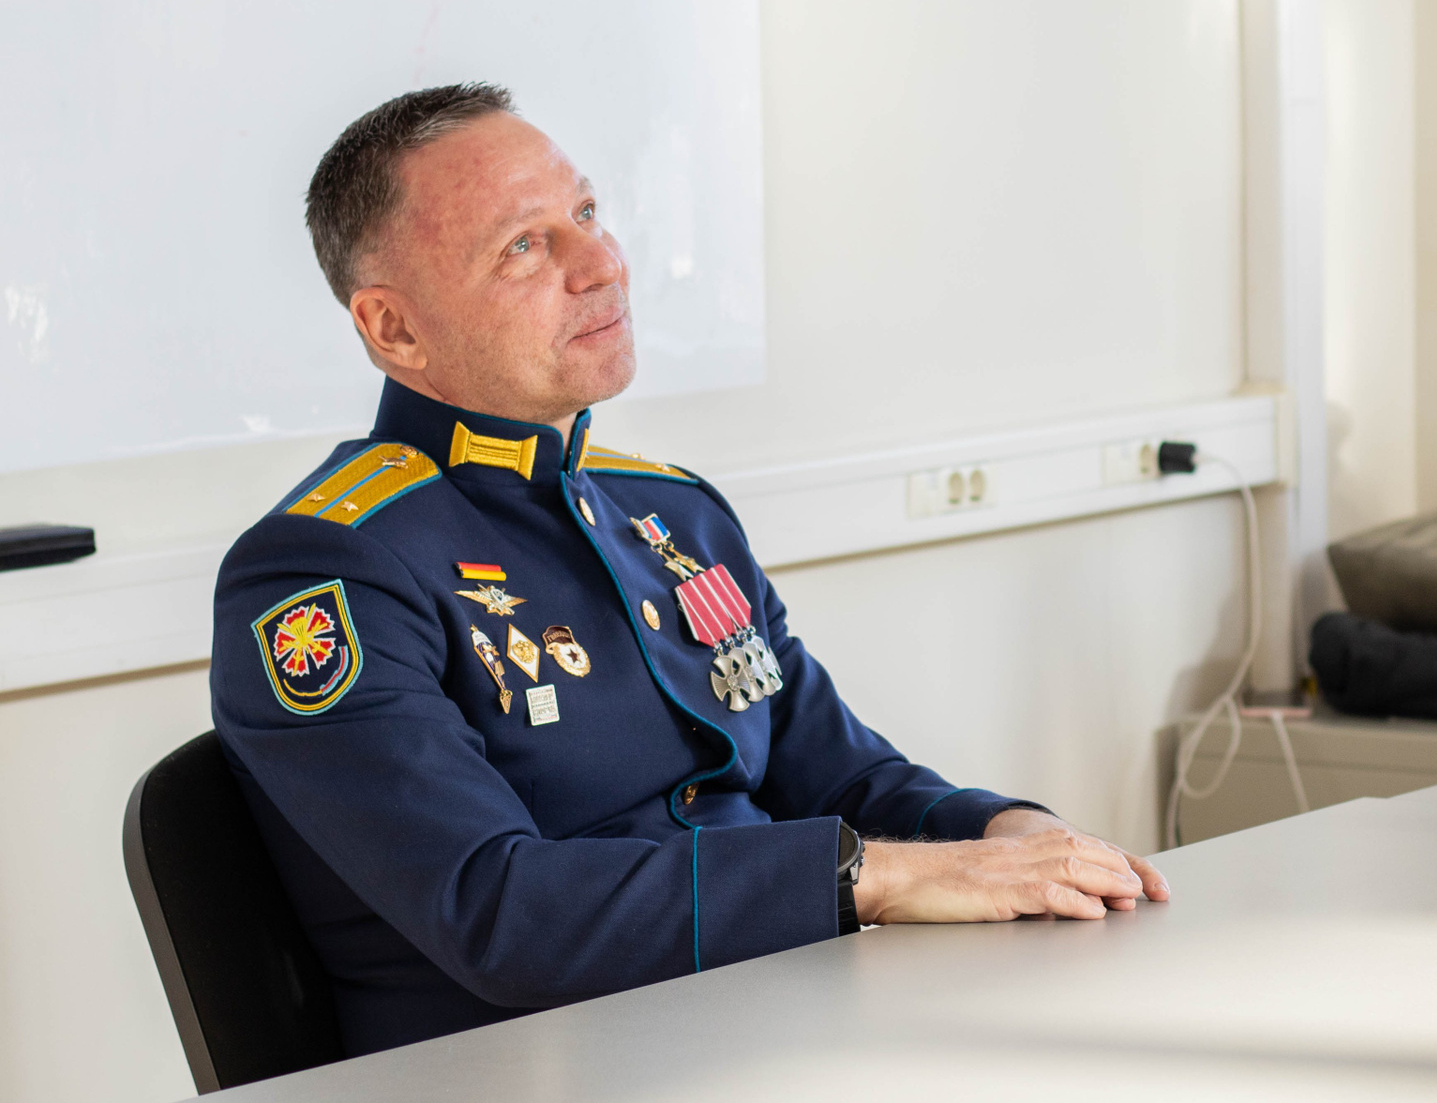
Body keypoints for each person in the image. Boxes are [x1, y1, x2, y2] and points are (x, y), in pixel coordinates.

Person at [210, 83, 1170, 1057]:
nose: (602, 264)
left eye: (587, 213)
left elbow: (837, 769)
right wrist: (876, 878)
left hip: (786, 1026)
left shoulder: (671, 512)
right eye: (524, 245)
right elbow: (500, 913)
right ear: (394, 328)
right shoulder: (325, 572)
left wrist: (1010, 832)